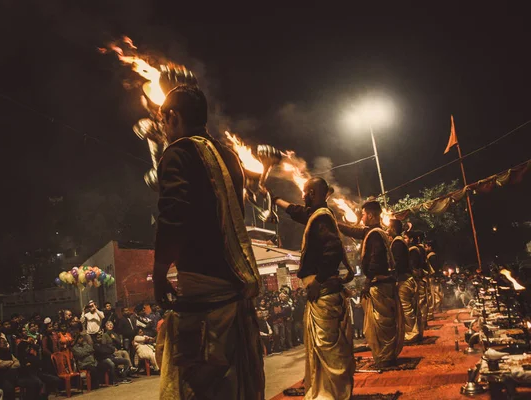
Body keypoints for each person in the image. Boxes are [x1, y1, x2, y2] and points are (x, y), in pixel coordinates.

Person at [153, 85, 264, 399]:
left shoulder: (178, 153)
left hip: (201, 285)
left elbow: (173, 215)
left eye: (163, 120)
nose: (162, 128)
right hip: (233, 282)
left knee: (199, 383)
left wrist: (160, 274)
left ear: (173, 116)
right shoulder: (228, 156)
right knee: (229, 382)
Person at [273, 177, 355, 399]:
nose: (302, 196)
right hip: (324, 292)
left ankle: (332, 394)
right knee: (326, 349)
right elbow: (299, 212)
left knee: (328, 349)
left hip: (324, 292)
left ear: (311, 193)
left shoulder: (321, 219)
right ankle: (327, 392)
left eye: (305, 192)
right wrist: (276, 200)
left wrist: (317, 281)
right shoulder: (319, 216)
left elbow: (334, 249)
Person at [338, 199, 404, 367]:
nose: (362, 217)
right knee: (379, 323)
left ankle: (385, 357)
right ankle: (384, 356)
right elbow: (354, 231)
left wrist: (367, 281)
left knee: (379, 323)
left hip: (378, 285)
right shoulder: (373, 232)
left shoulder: (375, 234)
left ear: (372, 215)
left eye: (364, 214)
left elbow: (376, 260)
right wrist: (335, 222)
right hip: (381, 284)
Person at [389, 219, 420, 343]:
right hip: (407, 279)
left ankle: (412, 333)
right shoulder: (399, 242)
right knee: (409, 308)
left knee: (406, 308)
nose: (387, 229)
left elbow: (398, 263)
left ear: (393, 229)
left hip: (404, 280)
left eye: (389, 227)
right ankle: (413, 332)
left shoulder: (397, 243)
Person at [404, 230, 428, 335]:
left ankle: (419, 327)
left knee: (420, 303)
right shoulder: (417, 249)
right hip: (417, 279)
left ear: (411, 239)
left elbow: (414, 267)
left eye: (405, 238)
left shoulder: (414, 250)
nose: (404, 240)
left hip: (418, 280)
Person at [425, 240, 444, 313]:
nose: (425, 248)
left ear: (430, 247)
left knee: (435, 293)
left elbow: (435, 268)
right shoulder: (433, 255)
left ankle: (436, 309)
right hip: (434, 277)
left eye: (426, 247)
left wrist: (435, 276)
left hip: (433, 277)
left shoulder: (431, 256)